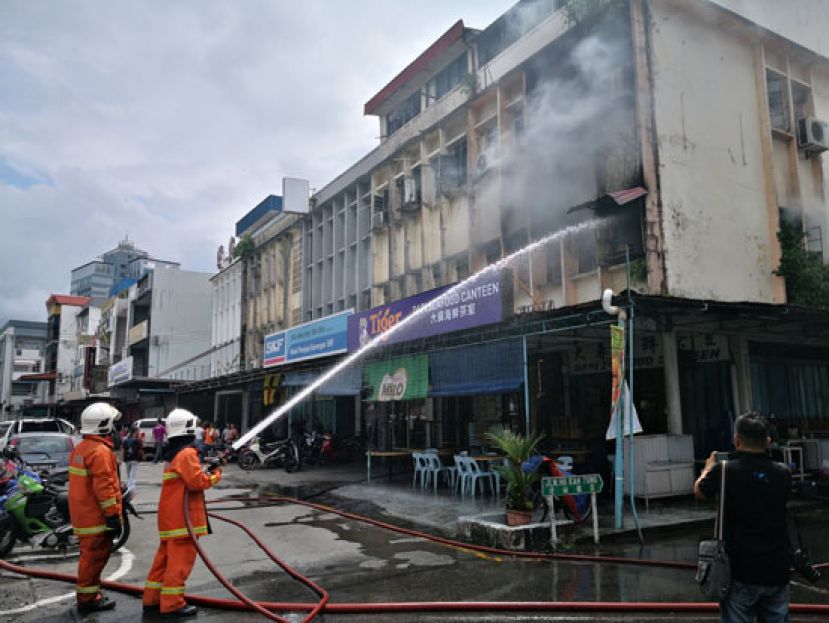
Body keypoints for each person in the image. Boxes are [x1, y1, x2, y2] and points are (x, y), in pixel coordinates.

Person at [694, 413, 791, 623]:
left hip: (740, 570)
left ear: (736, 440)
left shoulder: (725, 470)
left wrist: (708, 468)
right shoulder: (783, 473)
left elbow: (700, 491)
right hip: (777, 567)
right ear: (768, 441)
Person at [143, 409, 223, 619]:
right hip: (182, 521)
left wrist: (205, 468)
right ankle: (171, 605)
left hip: (170, 519)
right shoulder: (187, 454)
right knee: (179, 566)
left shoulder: (175, 454)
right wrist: (215, 475)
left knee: (162, 564)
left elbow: (188, 478)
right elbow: (196, 482)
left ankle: (152, 600)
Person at [68, 402, 123, 613]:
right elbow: (104, 488)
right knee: (94, 559)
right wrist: (112, 516)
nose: (115, 429)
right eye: (112, 424)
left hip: (84, 516)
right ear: (103, 425)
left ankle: (90, 594)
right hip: (96, 518)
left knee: (90, 558)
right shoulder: (100, 452)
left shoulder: (81, 449)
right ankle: (87, 599)